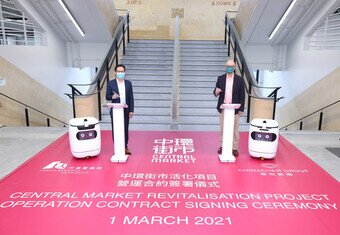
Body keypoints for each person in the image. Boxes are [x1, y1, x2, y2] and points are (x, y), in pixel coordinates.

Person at [213, 59, 245, 157]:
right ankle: (222, 146)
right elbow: (215, 92)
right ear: (225, 67)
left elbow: (242, 95)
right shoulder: (220, 78)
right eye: (227, 66)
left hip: (234, 109)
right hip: (223, 108)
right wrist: (216, 91)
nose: (229, 68)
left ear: (234, 68)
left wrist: (241, 109)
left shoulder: (240, 79)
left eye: (231, 66)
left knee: (235, 129)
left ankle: (234, 148)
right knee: (222, 128)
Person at [106, 64, 134, 155]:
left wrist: (131, 110)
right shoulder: (111, 83)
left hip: (125, 109)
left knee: (125, 128)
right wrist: (112, 96)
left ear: (124, 72)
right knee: (116, 129)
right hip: (115, 110)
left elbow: (131, 98)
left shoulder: (128, 83)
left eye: (122, 71)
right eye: (119, 71)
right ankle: (117, 147)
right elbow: (107, 96)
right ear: (115, 73)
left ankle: (125, 147)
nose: (120, 73)